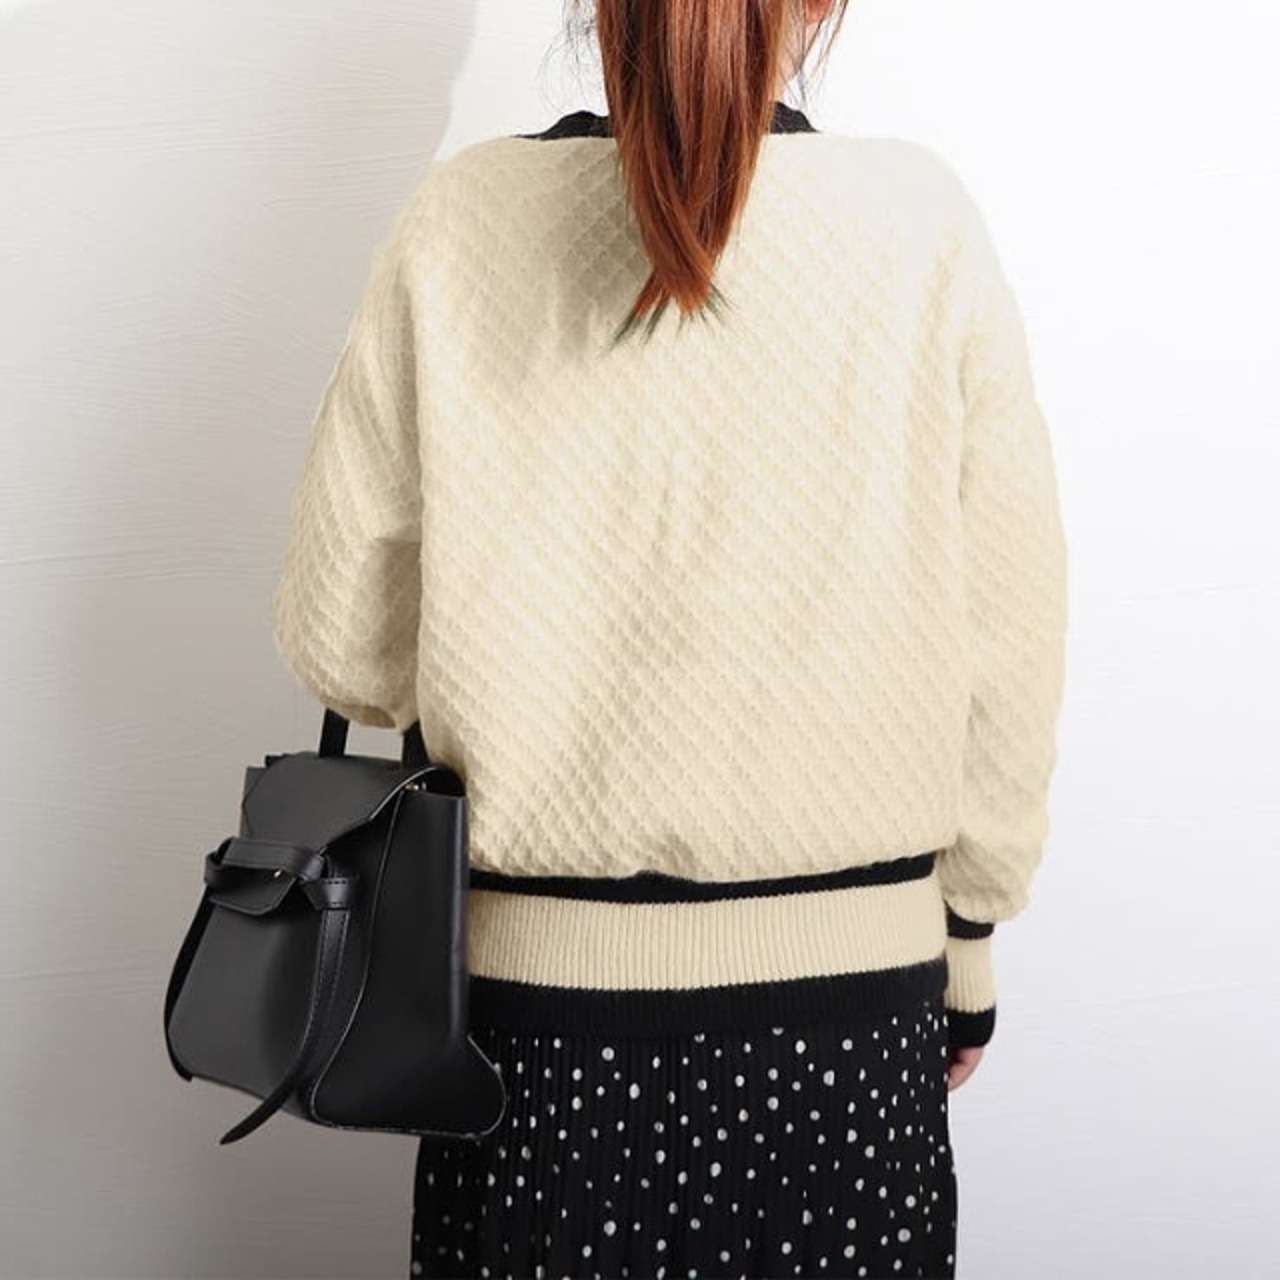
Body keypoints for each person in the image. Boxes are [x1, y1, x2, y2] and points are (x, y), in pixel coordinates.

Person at [268, 1, 1069, 1276]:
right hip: (852, 1032)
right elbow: (1010, 635)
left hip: (532, 1041)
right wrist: (966, 940)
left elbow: (344, 644)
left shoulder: (458, 222)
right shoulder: (920, 224)